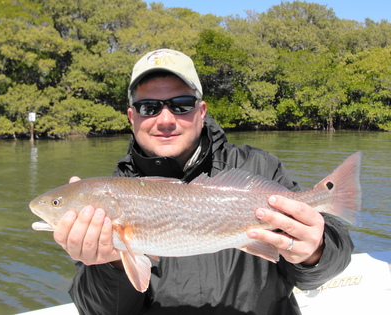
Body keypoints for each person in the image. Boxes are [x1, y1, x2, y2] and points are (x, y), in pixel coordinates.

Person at [53, 49, 354, 315]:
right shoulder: (113, 194)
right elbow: (101, 311)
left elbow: (321, 269)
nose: (166, 119)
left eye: (181, 104)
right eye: (149, 108)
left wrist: (315, 251)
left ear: (201, 111)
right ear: (132, 117)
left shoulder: (261, 167)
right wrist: (111, 265)